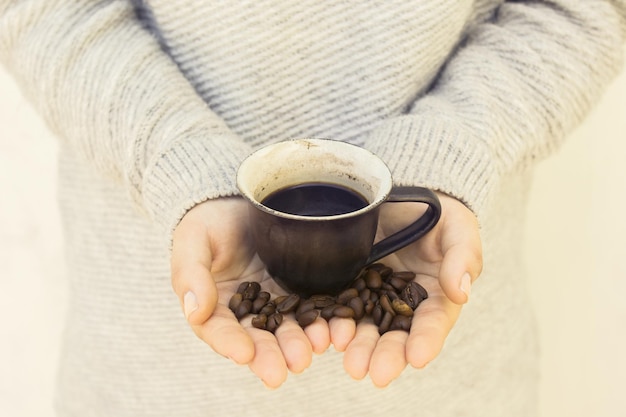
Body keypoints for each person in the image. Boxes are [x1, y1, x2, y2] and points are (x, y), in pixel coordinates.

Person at [1, 1, 624, 416]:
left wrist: (444, 154)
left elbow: (577, 11)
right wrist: (183, 163)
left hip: (454, 374)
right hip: (146, 372)